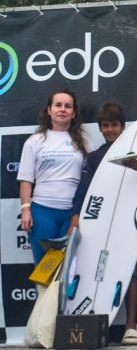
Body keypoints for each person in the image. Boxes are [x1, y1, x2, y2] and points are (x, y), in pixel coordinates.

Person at [69, 102, 137, 345]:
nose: (110, 130)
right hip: (99, 221)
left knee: (127, 269)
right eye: (106, 126)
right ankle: (84, 320)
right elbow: (83, 191)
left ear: (122, 127)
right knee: (89, 267)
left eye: (114, 125)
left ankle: (131, 326)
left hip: (126, 222)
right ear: (100, 129)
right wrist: (75, 217)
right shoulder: (94, 158)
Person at [18, 89, 90, 271]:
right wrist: (26, 209)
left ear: (73, 113)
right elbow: (26, 179)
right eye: (58, 105)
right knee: (45, 271)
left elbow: (91, 178)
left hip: (73, 215)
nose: (63, 109)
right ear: (49, 110)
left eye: (68, 106)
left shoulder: (85, 142)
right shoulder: (35, 141)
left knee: (70, 271)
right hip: (42, 213)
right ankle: (45, 301)